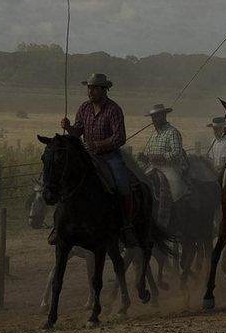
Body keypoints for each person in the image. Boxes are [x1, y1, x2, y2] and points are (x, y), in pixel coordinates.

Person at [60, 72, 136, 243]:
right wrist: (69, 127)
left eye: (94, 88)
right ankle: (62, 224)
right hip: (87, 156)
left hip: (109, 157)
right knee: (66, 178)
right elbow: (78, 131)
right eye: (88, 88)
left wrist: (98, 145)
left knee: (122, 184)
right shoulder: (84, 108)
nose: (90, 91)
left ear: (104, 89)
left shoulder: (114, 110)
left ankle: (127, 225)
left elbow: (119, 137)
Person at [140, 103, 187, 227]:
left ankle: (180, 221)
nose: (153, 119)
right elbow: (151, 155)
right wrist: (144, 158)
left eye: (156, 116)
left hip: (170, 168)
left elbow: (177, 153)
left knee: (176, 190)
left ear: (164, 115)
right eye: (152, 116)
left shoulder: (173, 132)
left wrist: (159, 157)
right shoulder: (153, 134)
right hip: (153, 166)